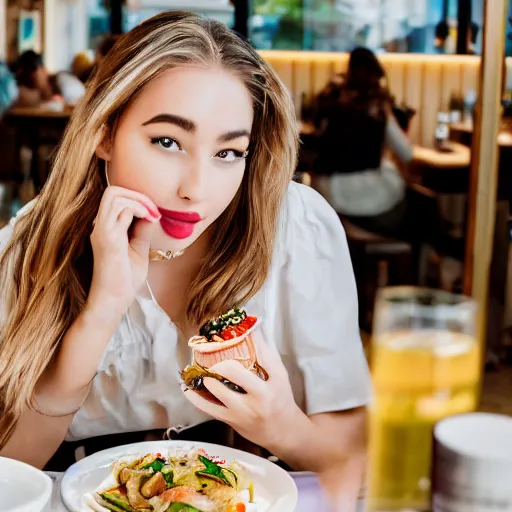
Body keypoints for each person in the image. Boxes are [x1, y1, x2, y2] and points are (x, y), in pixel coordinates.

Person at [0, 11, 370, 508]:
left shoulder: (295, 231)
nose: (196, 190)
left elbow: (354, 458)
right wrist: (102, 310)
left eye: (229, 152)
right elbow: (11, 474)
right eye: (167, 142)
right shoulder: (31, 245)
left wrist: (282, 427)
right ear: (104, 134)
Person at [310, 47, 463, 262]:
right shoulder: (377, 106)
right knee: (424, 205)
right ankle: (445, 257)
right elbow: (406, 153)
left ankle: (443, 247)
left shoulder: (329, 100)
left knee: (421, 206)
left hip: (329, 196)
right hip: (366, 201)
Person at [14, 50, 85, 106]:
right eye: (26, 75)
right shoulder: (32, 95)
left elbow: (80, 103)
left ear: (43, 70)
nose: (30, 78)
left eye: (33, 71)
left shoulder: (63, 81)